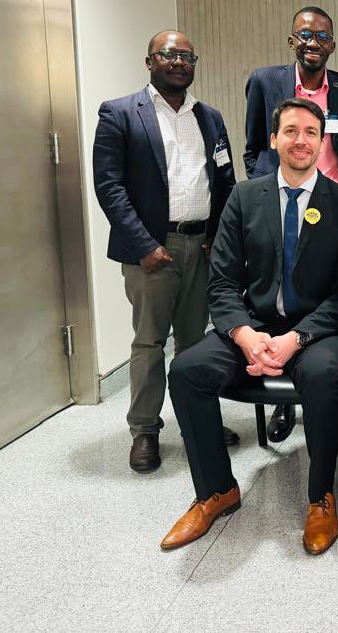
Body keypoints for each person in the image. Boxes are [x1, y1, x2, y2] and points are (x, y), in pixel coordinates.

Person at [160, 98, 338, 555]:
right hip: (250, 328)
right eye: (290, 131)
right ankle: (216, 490)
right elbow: (223, 281)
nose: (301, 141)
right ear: (273, 140)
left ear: (321, 141)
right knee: (187, 370)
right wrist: (244, 335)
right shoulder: (244, 196)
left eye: (311, 132)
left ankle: (319, 498)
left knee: (320, 375)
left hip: (315, 331)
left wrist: (296, 339)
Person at [93, 31, 237, 474]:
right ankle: (145, 431)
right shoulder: (120, 113)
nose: (179, 62)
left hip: (203, 245)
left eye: (186, 56)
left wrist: (220, 236)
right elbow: (110, 186)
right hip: (153, 249)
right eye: (169, 54)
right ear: (149, 60)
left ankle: (200, 420)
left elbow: (227, 180)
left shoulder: (209, 117)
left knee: (196, 344)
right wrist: (144, 246)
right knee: (150, 341)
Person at [244, 5, 338, 442]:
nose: (312, 43)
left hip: (337, 211)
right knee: (285, 297)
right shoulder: (264, 82)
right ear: (292, 40)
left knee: (336, 296)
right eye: (304, 35)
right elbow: (253, 147)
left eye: (321, 37)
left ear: (332, 45)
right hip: (285, 206)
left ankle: (329, 393)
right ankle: (284, 402)